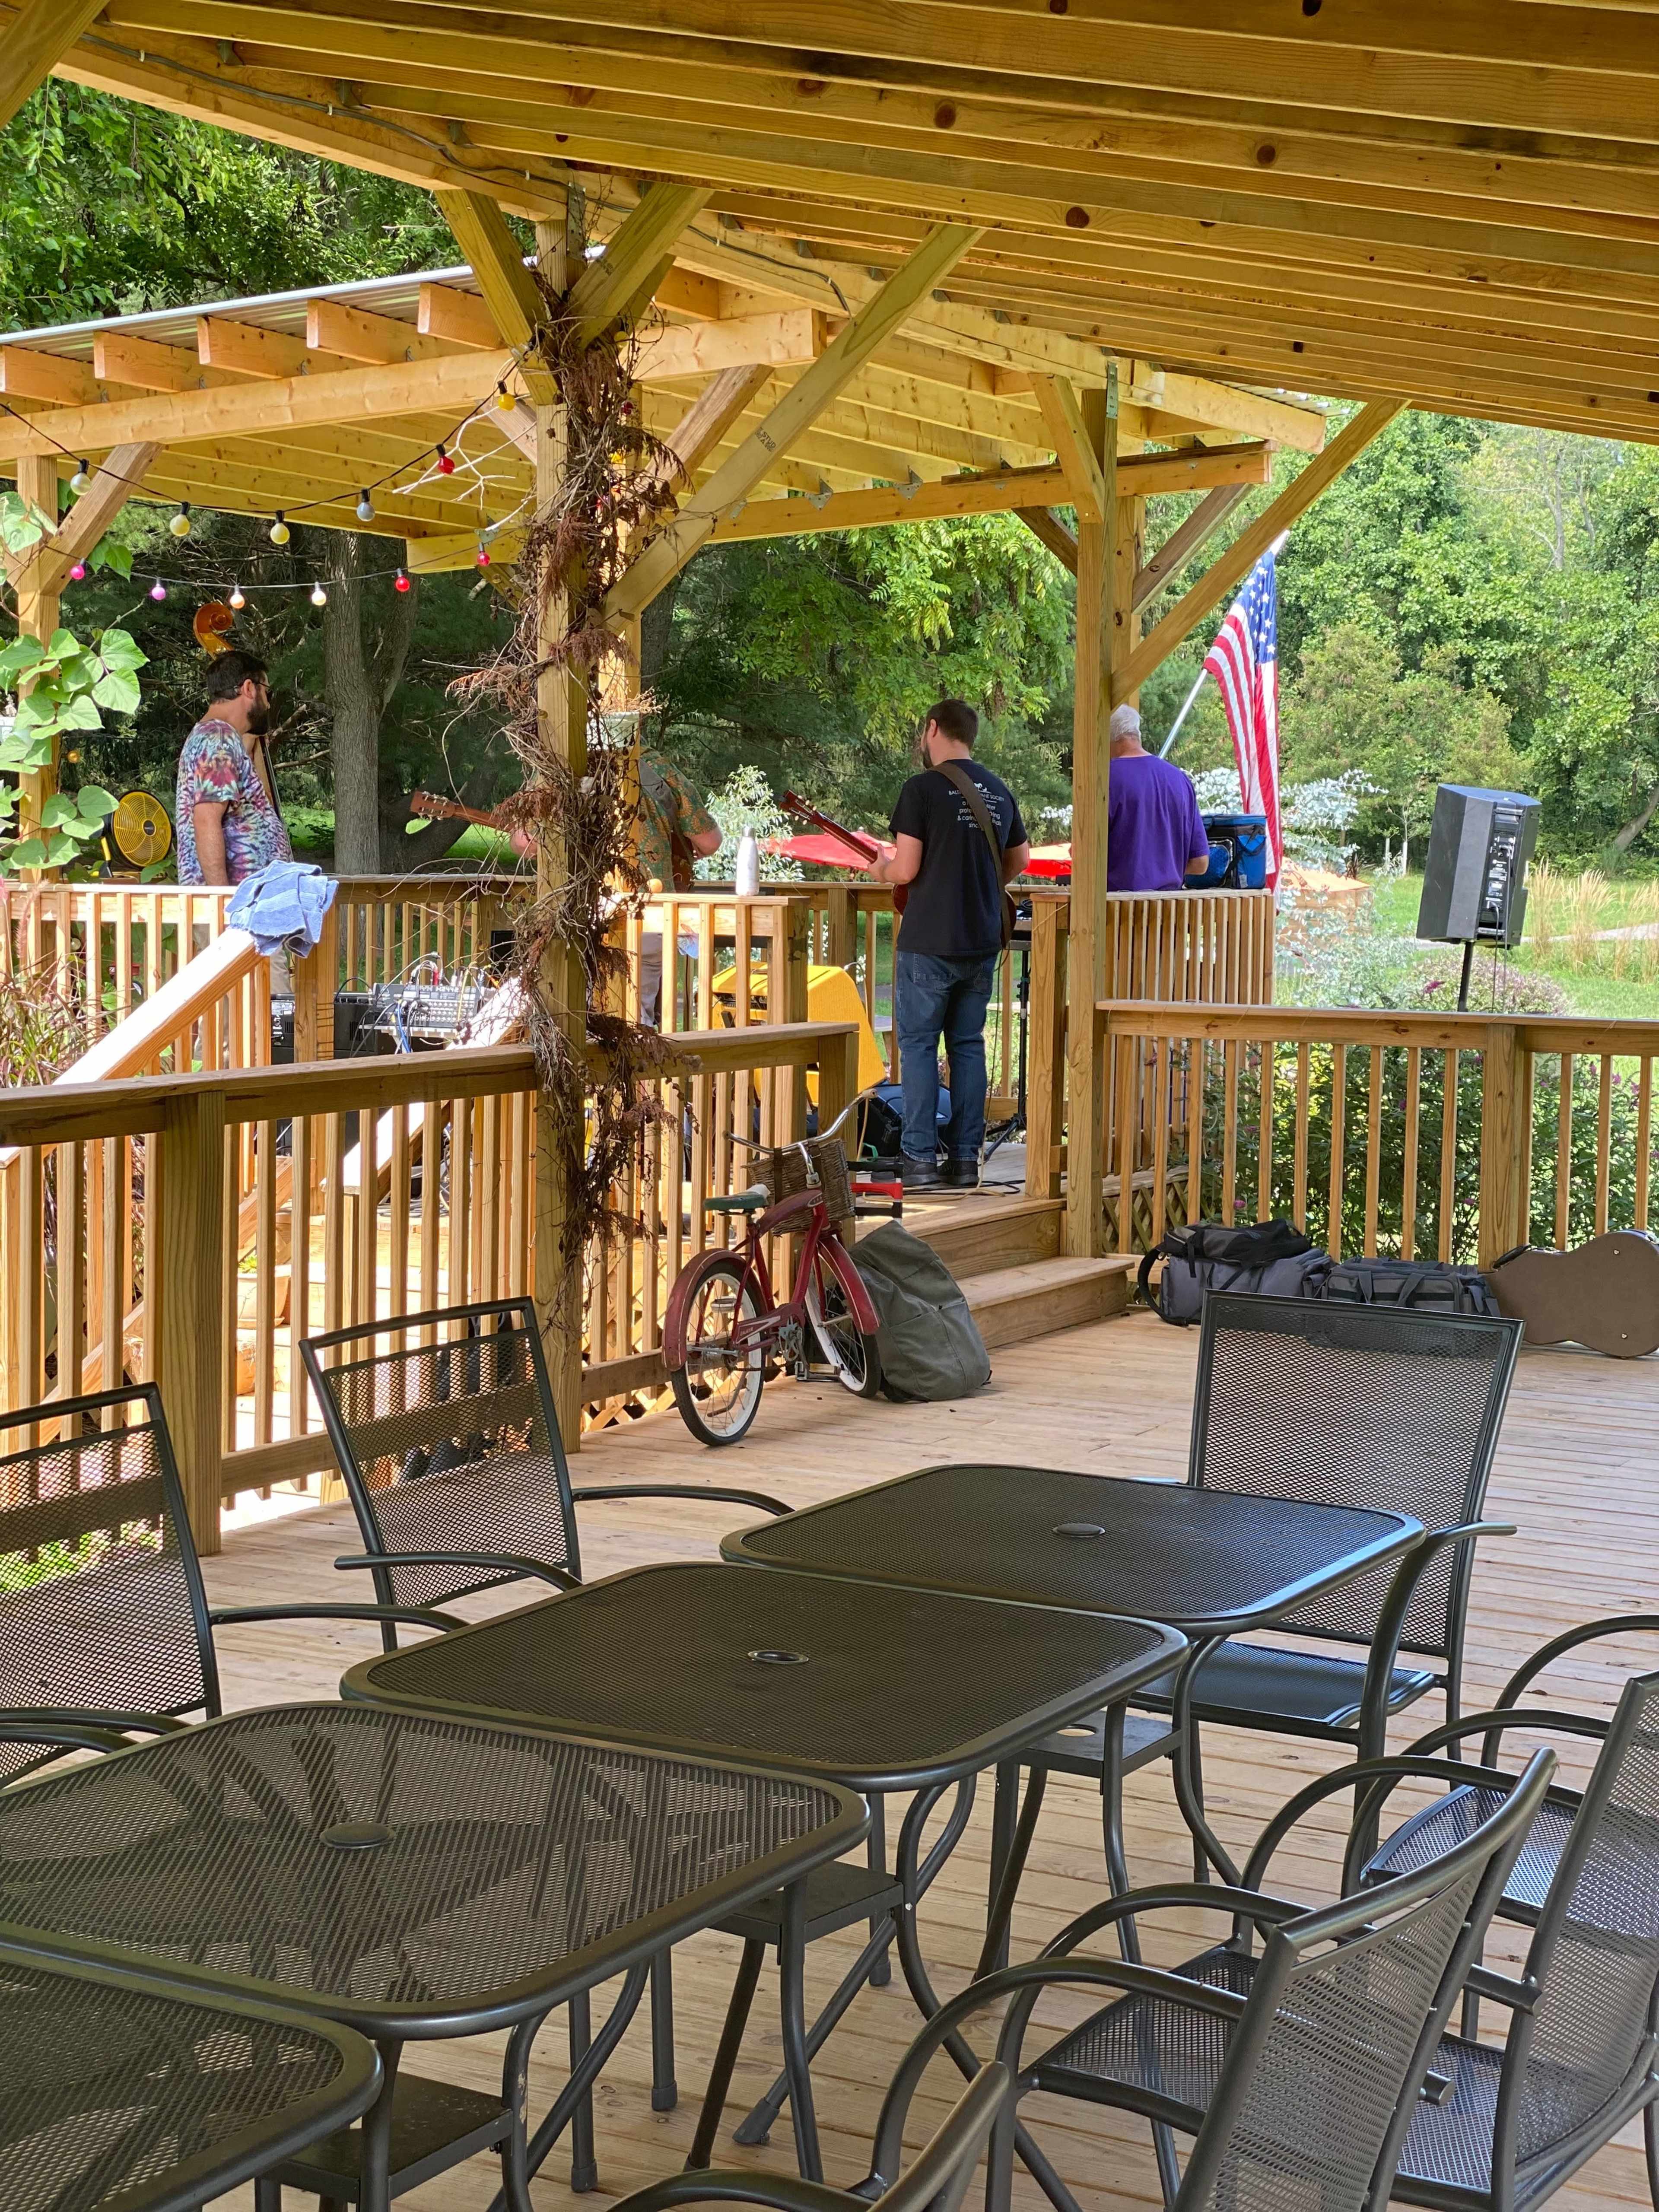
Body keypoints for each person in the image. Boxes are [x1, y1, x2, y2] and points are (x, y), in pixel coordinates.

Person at [868, 698, 1029, 1191]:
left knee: (917, 1047)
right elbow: (1018, 858)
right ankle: (965, 1160)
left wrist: (880, 868)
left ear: (933, 728)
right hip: (980, 939)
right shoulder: (998, 790)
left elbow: (907, 868)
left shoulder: (921, 789)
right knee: (967, 1046)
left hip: (929, 940)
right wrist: (979, 881)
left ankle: (917, 1159)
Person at [175, 649, 292, 887]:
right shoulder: (219, 736)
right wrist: (222, 903)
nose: (268, 704)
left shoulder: (213, 735)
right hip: (238, 911)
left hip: (244, 907)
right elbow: (207, 820)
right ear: (249, 688)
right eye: (267, 693)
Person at [636, 747, 721, 1026]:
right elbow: (710, 841)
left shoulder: (562, 761)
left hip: (578, 913)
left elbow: (523, 842)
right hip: (650, 913)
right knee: (637, 1016)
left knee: (573, 1015)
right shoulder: (658, 766)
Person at [1103, 702, 1214, 892]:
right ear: (1136, 734)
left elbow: (1085, 857)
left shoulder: (1104, 779)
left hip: (1116, 912)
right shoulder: (1179, 779)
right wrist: (1162, 868)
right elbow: (1200, 863)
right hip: (1169, 913)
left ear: (1106, 736)